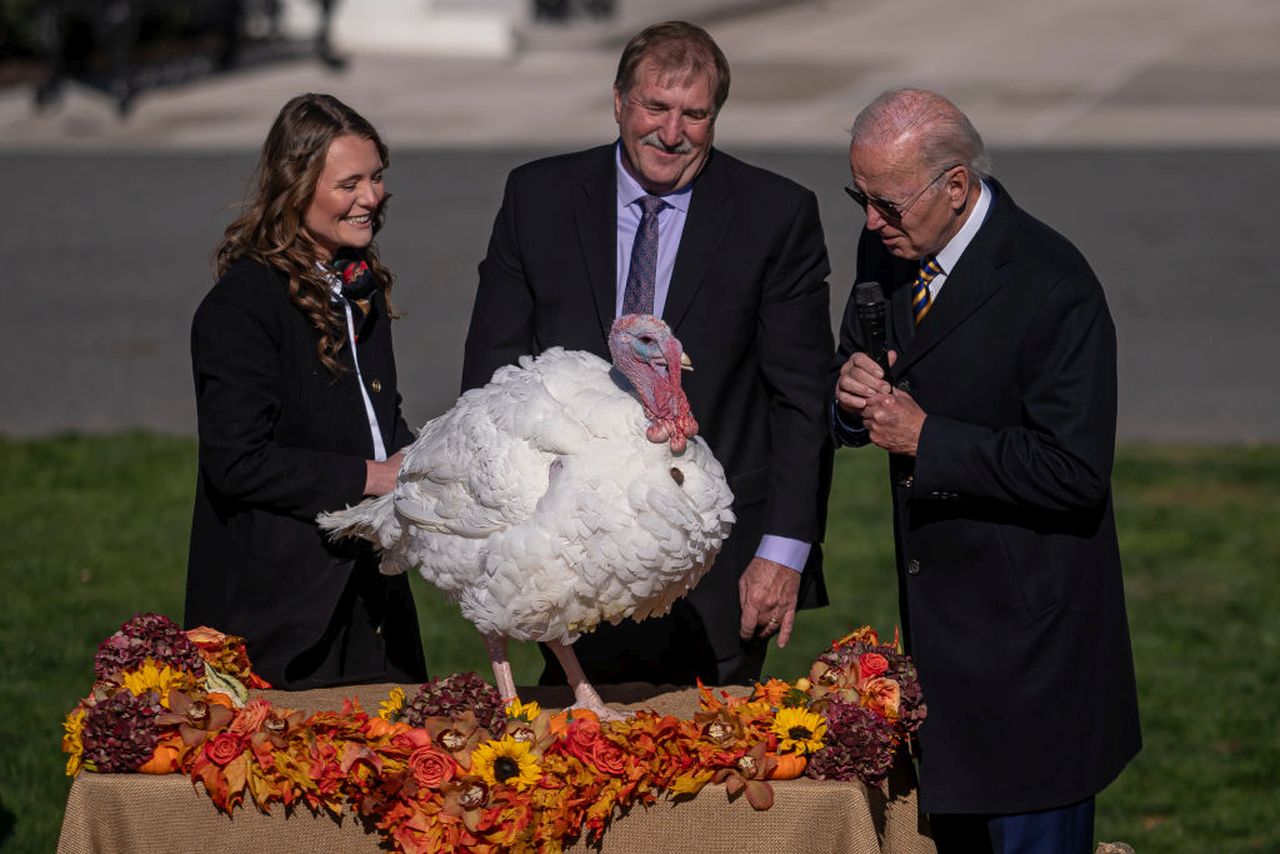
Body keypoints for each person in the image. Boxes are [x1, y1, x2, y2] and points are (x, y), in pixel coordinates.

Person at [462, 20, 834, 687]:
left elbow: (802, 399)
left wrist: (784, 551)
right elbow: (489, 382)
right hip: (566, 552)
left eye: (695, 114)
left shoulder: (775, 215)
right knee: (576, 762)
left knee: (716, 773)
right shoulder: (537, 199)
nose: (672, 132)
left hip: (717, 565)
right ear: (618, 102)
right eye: (655, 107)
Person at [833, 88, 1141, 852]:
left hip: (1031, 661)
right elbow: (855, 357)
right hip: (941, 652)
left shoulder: (1054, 286)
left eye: (887, 204)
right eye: (858, 197)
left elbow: (1074, 471)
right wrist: (848, 397)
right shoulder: (890, 245)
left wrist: (927, 437)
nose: (870, 223)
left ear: (957, 186)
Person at [185, 93, 428, 690]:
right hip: (280, 617)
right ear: (296, 189)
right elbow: (238, 462)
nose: (371, 198)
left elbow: (378, 420)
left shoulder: (356, 282)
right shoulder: (242, 305)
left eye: (376, 178)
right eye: (349, 184)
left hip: (371, 606)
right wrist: (375, 477)